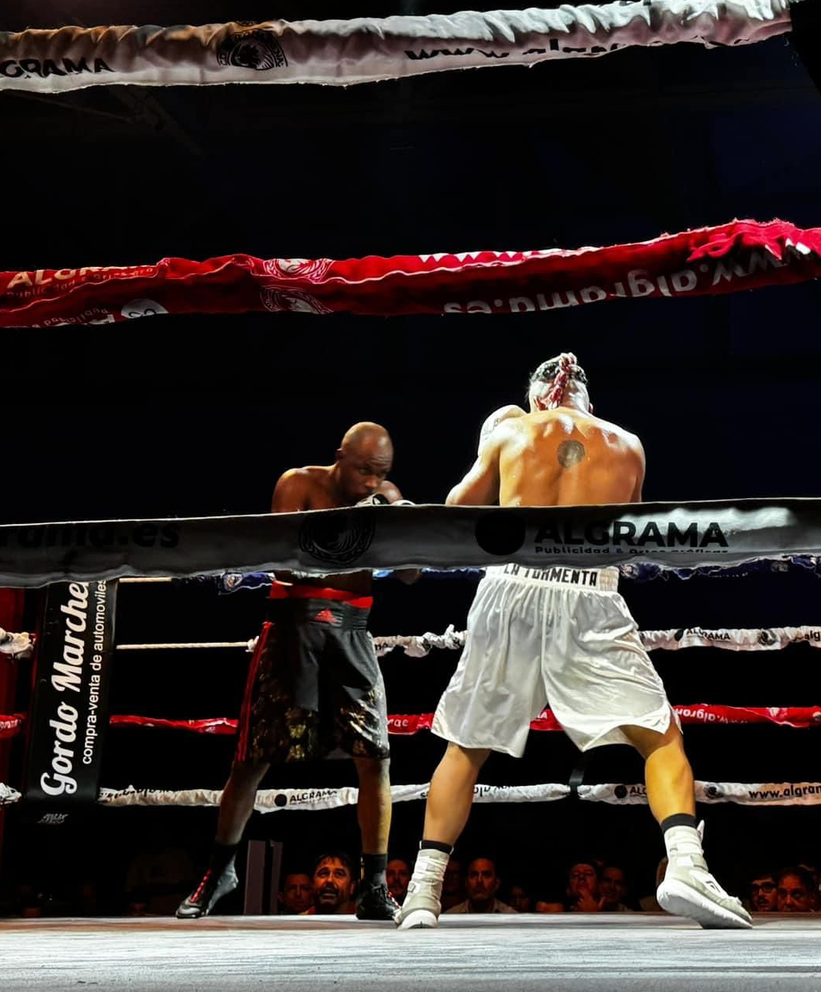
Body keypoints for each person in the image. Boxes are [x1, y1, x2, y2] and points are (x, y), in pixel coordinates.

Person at [396, 354, 749, 931]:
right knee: (660, 738)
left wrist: (494, 441)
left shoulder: (513, 430)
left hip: (511, 589)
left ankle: (422, 894)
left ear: (537, 397)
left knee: (466, 744)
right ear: (588, 399)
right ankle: (685, 864)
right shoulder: (629, 446)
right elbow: (623, 539)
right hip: (590, 593)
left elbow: (457, 515)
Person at [177, 423, 412, 921]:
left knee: (376, 757)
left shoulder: (386, 497)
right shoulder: (298, 484)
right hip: (293, 625)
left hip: (353, 628)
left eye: (381, 474)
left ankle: (373, 886)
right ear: (340, 458)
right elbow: (279, 561)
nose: (372, 483)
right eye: (365, 471)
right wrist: (355, 525)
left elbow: (411, 573)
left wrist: (403, 525)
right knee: (252, 758)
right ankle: (220, 872)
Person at [446, 857, 516, 914]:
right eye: (474, 875)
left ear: (497, 883)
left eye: (486, 875)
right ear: (466, 882)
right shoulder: (451, 916)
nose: (479, 881)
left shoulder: (511, 918)